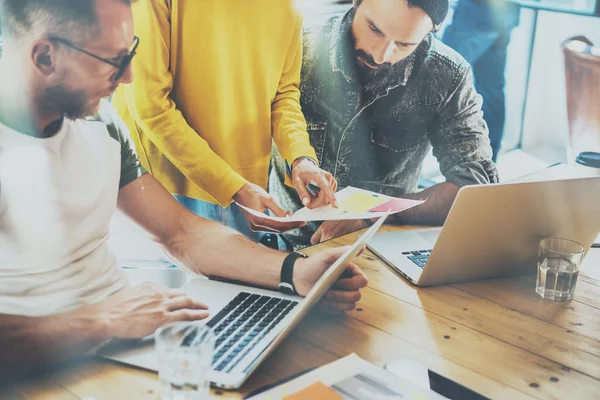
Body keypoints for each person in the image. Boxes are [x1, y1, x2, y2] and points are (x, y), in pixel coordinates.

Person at [0, 0, 367, 382]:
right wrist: (103, 320)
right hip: (42, 369)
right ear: (45, 57)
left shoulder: (102, 122)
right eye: (113, 61)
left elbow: (180, 232)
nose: (127, 78)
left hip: (131, 343)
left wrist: (297, 271)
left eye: (132, 55)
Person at [270, 0, 499, 249]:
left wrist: (373, 215)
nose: (381, 55)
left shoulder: (447, 76)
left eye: (404, 44)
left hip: (379, 248)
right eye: (375, 30)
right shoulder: (299, 44)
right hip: (283, 241)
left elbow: (474, 189)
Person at [111, 0, 338, 246]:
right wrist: (232, 186)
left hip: (245, 187)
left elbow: (283, 94)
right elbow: (150, 105)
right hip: (164, 184)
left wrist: (300, 158)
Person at [441, 0, 521, 162]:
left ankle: (407, 167)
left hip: (476, 15)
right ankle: (486, 163)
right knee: (492, 92)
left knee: (437, 77)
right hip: (503, 16)